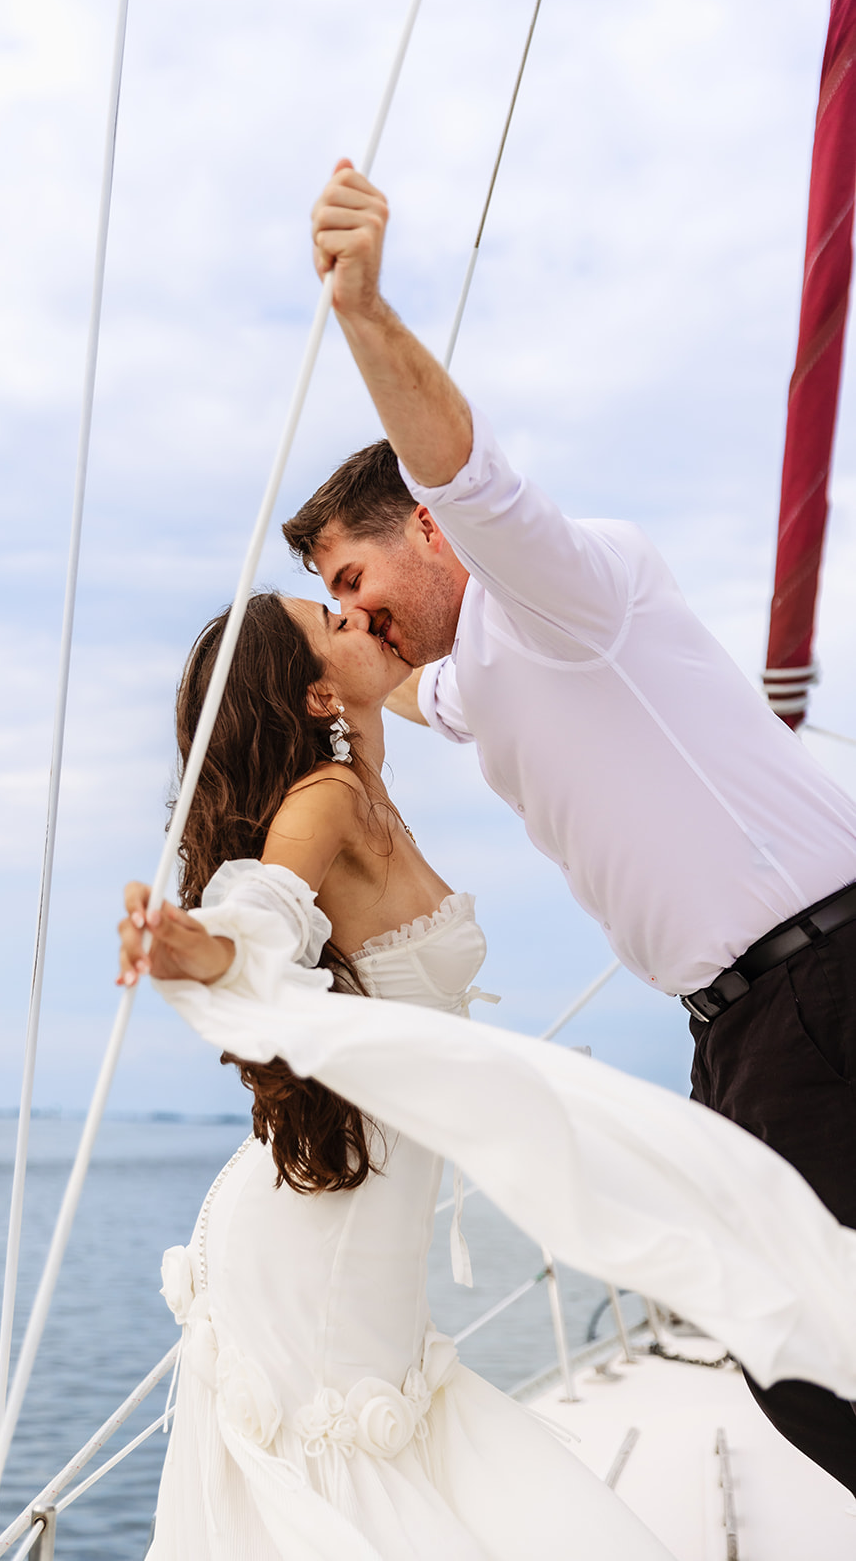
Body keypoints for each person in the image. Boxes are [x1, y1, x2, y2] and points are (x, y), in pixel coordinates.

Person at [276, 161, 856, 1491]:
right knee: (785, 1351)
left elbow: (467, 473)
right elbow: (402, 688)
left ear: (424, 534)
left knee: (811, 1360)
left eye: (351, 578)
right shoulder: (475, 677)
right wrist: (319, 673)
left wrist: (363, 313)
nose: (351, 612)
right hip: (746, 1027)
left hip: (818, 986)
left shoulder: (562, 593)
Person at [119, 592, 856, 1561]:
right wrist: (197, 945)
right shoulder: (326, 799)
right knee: (344, 1483)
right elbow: (268, 910)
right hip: (316, 1233)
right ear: (312, 693)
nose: (357, 618)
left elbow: (485, 679)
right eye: (332, 623)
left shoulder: (368, 789)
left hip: (360, 1198)